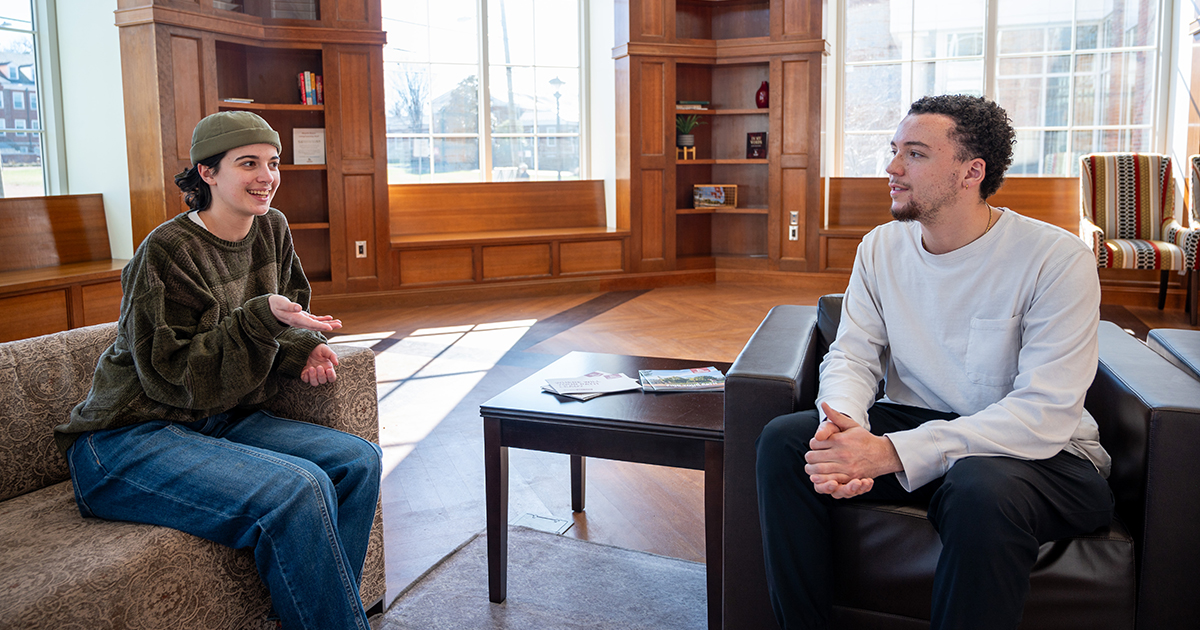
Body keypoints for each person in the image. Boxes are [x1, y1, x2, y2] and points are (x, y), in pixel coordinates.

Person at [754, 95, 1114, 630]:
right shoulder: (881, 247)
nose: (891, 168)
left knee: (979, 489)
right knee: (787, 442)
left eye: (915, 154)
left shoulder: (1056, 260)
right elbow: (853, 352)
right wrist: (845, 428)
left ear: (972, 172)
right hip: (924, 421)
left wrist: (889, 454)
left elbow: (1044, 413)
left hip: (1046, 453)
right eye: (894, 150)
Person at [55, 111, 383, 630]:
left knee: (357, 462)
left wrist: (301, 346)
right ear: (207, 173)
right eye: (248, 163)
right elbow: (172, 376)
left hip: (217, 416)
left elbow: (288, 309)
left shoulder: (272, 227)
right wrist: (259, 319)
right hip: (127, 439)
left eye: (272, 163)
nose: (266, 177)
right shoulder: (167, 251)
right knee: (296, 490)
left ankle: (316, 613)